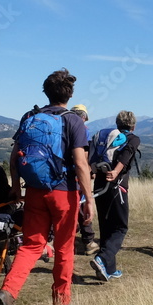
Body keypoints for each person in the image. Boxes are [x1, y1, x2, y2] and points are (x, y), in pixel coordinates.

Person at [0, 69, 95, 305]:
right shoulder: (74, 121)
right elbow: (81, 164)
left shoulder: (30, 116)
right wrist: (89, 199)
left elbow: (15, 155)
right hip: (64, 193)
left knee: (30, 246)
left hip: (35, 191)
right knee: (64, 248)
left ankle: (7, 292)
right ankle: (61, 304)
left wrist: (16, 185)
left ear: (46, 92)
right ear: (69, 94)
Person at [90, 111, 141, 281]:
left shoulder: (107, 136)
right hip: (116, 186)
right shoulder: (133, 138)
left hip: (99, 184)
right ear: (133, 125)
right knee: (120, 227)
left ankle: (109, 269)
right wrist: (116, 171)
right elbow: (126, 155)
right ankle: (102, 259)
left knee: (106, 226)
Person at [69, 104, 98, 255]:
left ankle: (52, 241)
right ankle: (88, 241)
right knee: (82, 206)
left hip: (62, 176)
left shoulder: (63, 127)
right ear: (84, 117)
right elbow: (84, 157)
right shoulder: (83, 130)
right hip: (77, 175)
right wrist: (89, 172)